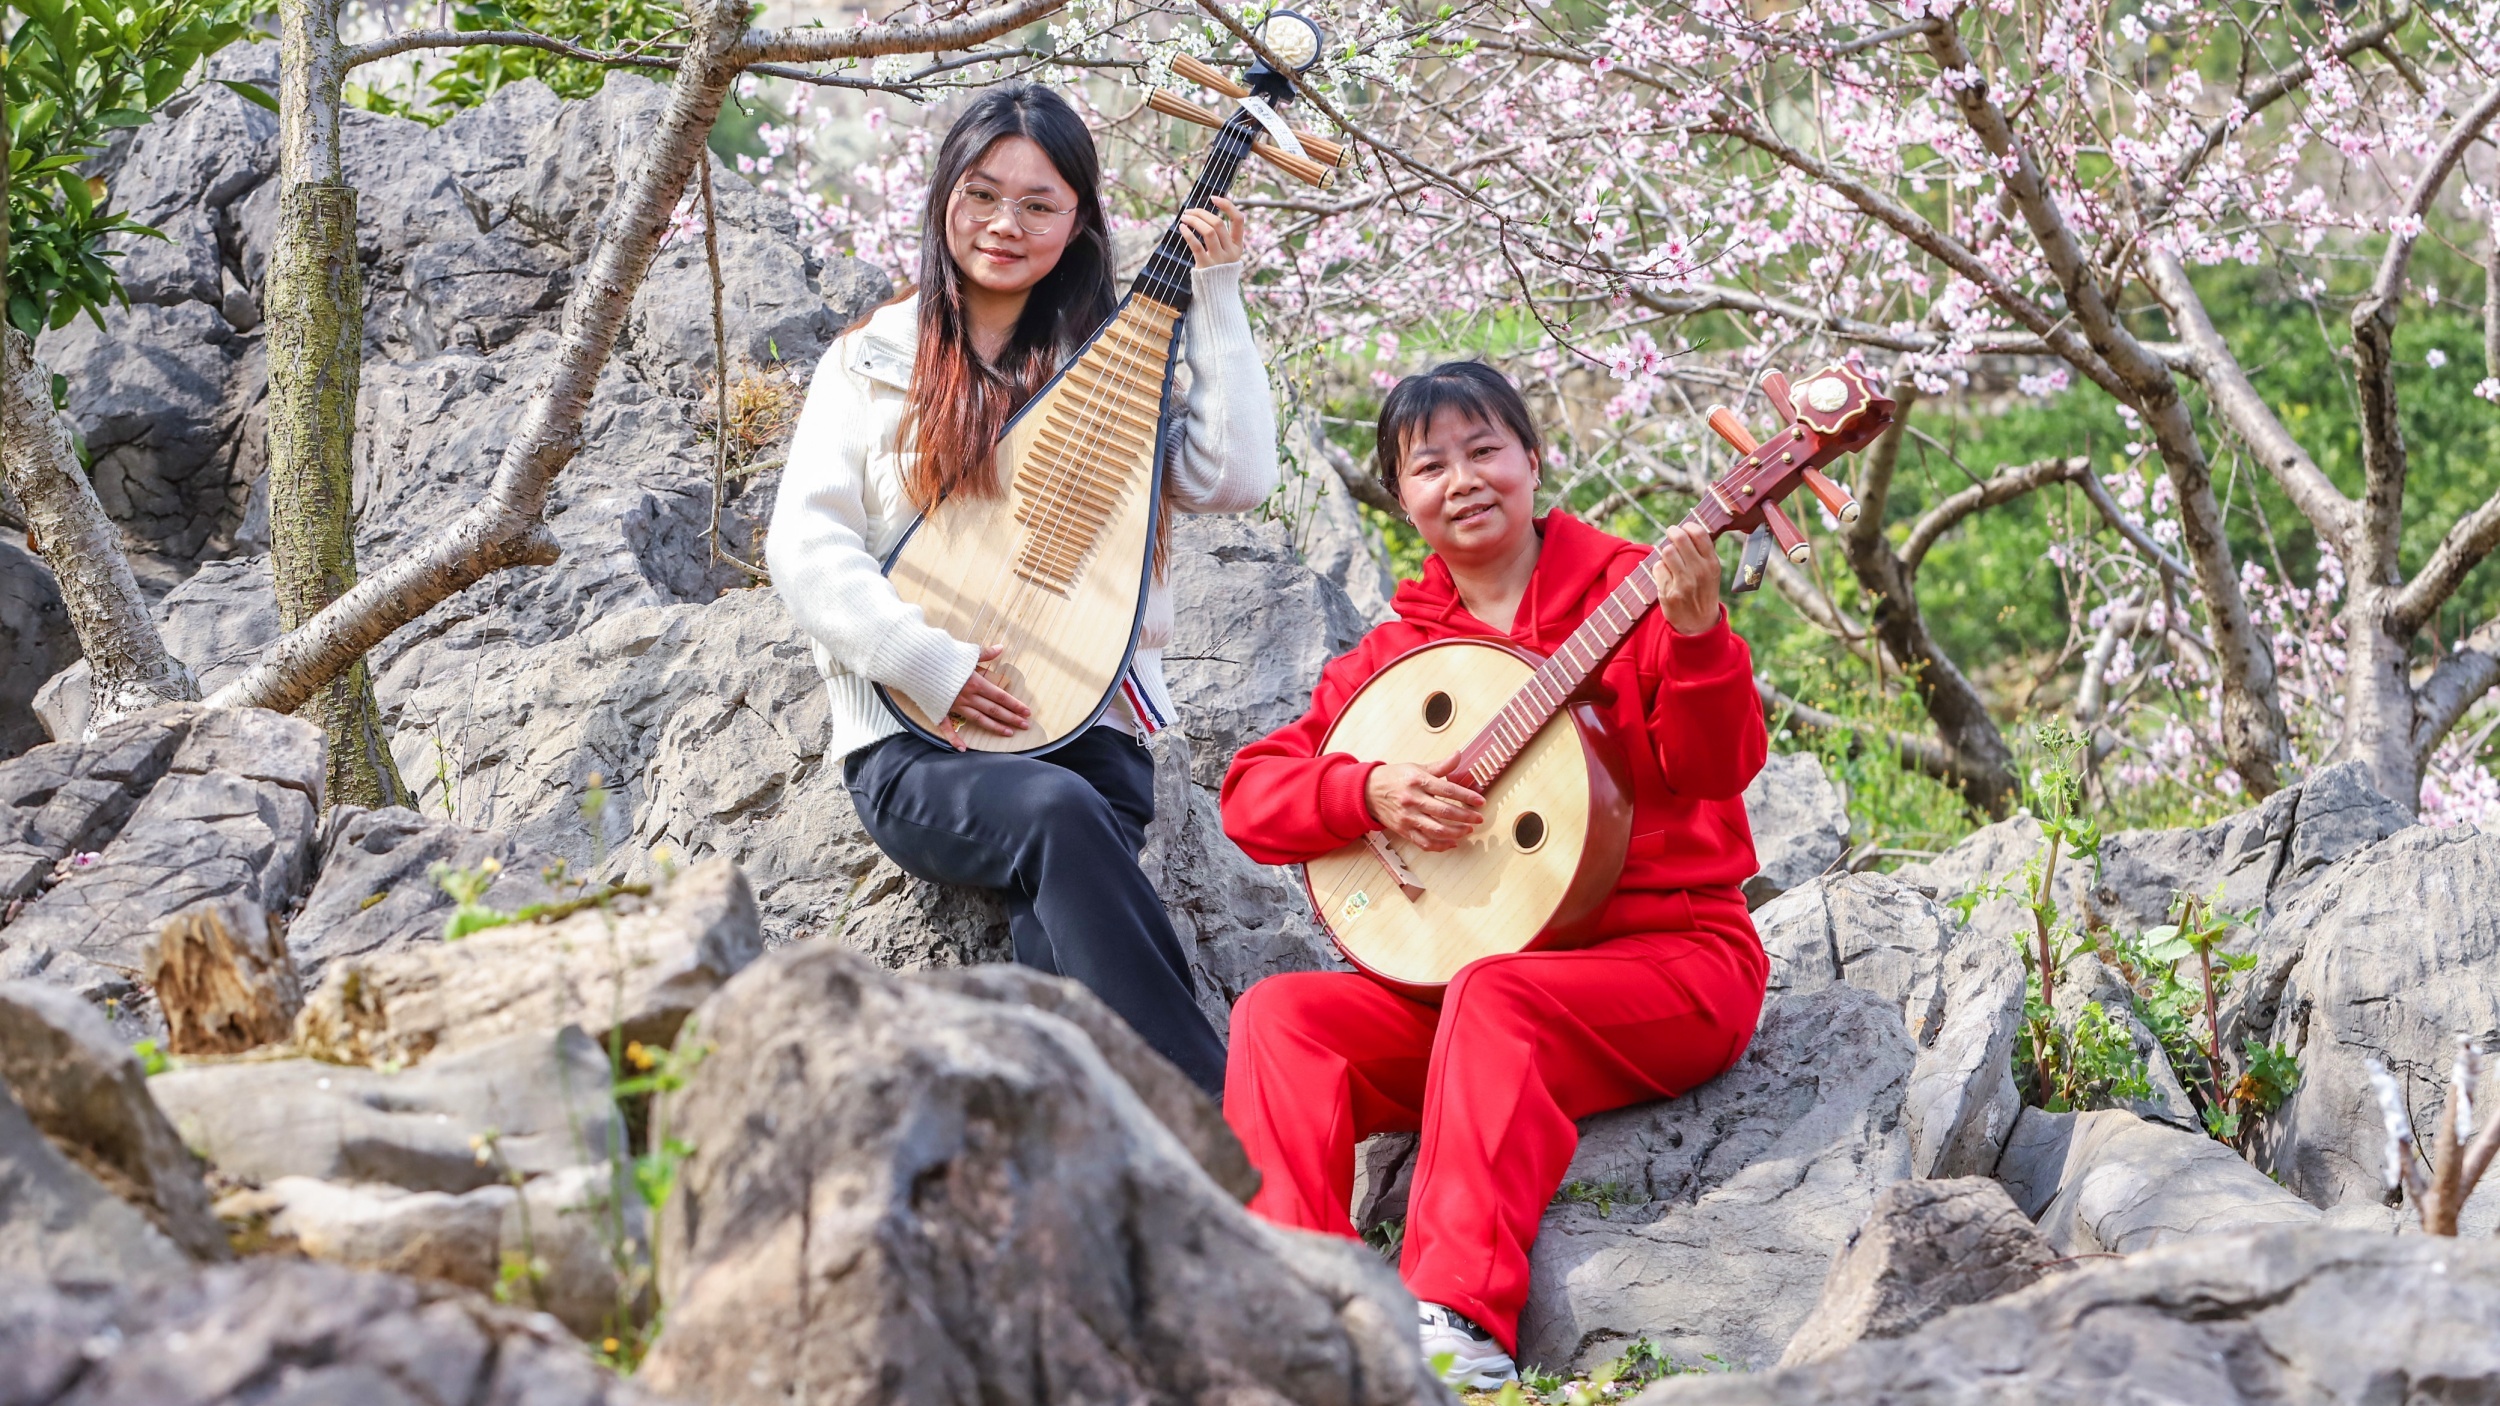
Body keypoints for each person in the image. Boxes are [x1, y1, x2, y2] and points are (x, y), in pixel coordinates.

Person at [1215, 362, 1768, 1387]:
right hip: (1472, 992)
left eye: (1484, 450)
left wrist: (1697, 637)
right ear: (1398, 494)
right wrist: (1368, 791)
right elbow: (1252, 793)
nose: (1462, 479)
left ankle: (1453, 1325)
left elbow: (1716, 767)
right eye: (1429, 464)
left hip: (1671, 962)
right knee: (1280, 1017)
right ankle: (1286, 1311)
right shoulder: (1395, 657)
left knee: (1494, 993)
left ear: (1531, 459)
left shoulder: (1631, 590)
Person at [768, 84, 1276, 1096]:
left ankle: (1116, 1187)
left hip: (1090, 725)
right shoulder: (870, 361)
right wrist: (930, 663)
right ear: (943, 197)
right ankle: (1224, 1128)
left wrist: (1216, 296)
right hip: (917, 743)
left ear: (1079, 220)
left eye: (1039, 204)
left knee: (1062, 991)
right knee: (1053, 809)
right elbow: (805, 543)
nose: (1006, 224)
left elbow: (1235, 477)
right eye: (983, 193)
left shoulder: (1106, 371)